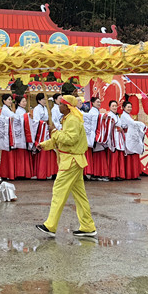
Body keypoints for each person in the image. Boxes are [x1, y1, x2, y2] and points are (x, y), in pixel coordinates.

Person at [36, 95, 96, 238]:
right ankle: (88, 226)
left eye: (62, 104)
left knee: (58, 191)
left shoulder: (73, 120)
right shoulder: (68, 119)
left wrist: (54, 132)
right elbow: (61, 140)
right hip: (74, 161)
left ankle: (50, 225)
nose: (59, 106)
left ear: (67, 107)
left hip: (71, 162)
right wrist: (45, 145)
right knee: (80, 196)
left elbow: (69, 139)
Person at [32, 93, 57, 180]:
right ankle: (41, 173)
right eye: (43, 99)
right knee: (42, 150)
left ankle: (46, 172)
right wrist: (45, 125)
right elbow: (36, 121)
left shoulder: (45, 108)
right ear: (39, 100)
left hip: (46, 130)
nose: (44, 101)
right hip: (41, 131)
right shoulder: (36, 109)